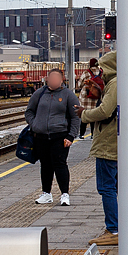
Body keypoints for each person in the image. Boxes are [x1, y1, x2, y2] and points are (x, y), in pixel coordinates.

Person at [80, 51, 120, 246]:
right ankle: (120, 226)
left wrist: (84, 114)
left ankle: (113, 229)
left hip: (108, 143)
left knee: (106, 187)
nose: (100, 72)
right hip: (117, 141)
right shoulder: (119, 82)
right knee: (117, 187)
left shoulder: (114, 84)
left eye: (103, 68)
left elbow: (105, 111)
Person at [25, 66, 80, 205]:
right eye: (51, 78)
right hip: (41, 136)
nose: (54, 81)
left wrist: (71, 136)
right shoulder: (39, 93)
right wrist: (35, 124)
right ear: (47, 79)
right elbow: (29, 111)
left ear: (62, 80)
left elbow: (76, 117)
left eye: (57, 78)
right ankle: (46, 193)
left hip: (60, 136)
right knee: (45, 165)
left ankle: (65, 194)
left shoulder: (68, 95)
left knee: (60, 164)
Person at [75, 57, 104, 138]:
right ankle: (92, 134)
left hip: (85, 98)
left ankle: (81, 134)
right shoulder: (101, 73)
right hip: (97, 98)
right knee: (93, 116)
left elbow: (80, 84)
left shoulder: (86, 73)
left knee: (84, 115)